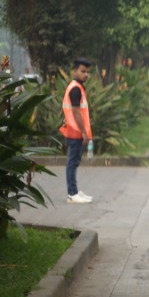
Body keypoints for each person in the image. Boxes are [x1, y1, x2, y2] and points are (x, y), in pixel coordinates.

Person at [60, 57, 95, 204]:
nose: (85, 74)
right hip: (75, 132)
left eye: (87, 72)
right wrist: (84, 132)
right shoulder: (75, 89)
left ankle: (74, 191)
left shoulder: (77, 87)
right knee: (72, 162)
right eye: (82, 71)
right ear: (75, 72)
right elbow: (75, 112)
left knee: (74, 162)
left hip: (74, 130)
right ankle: (72, 194)